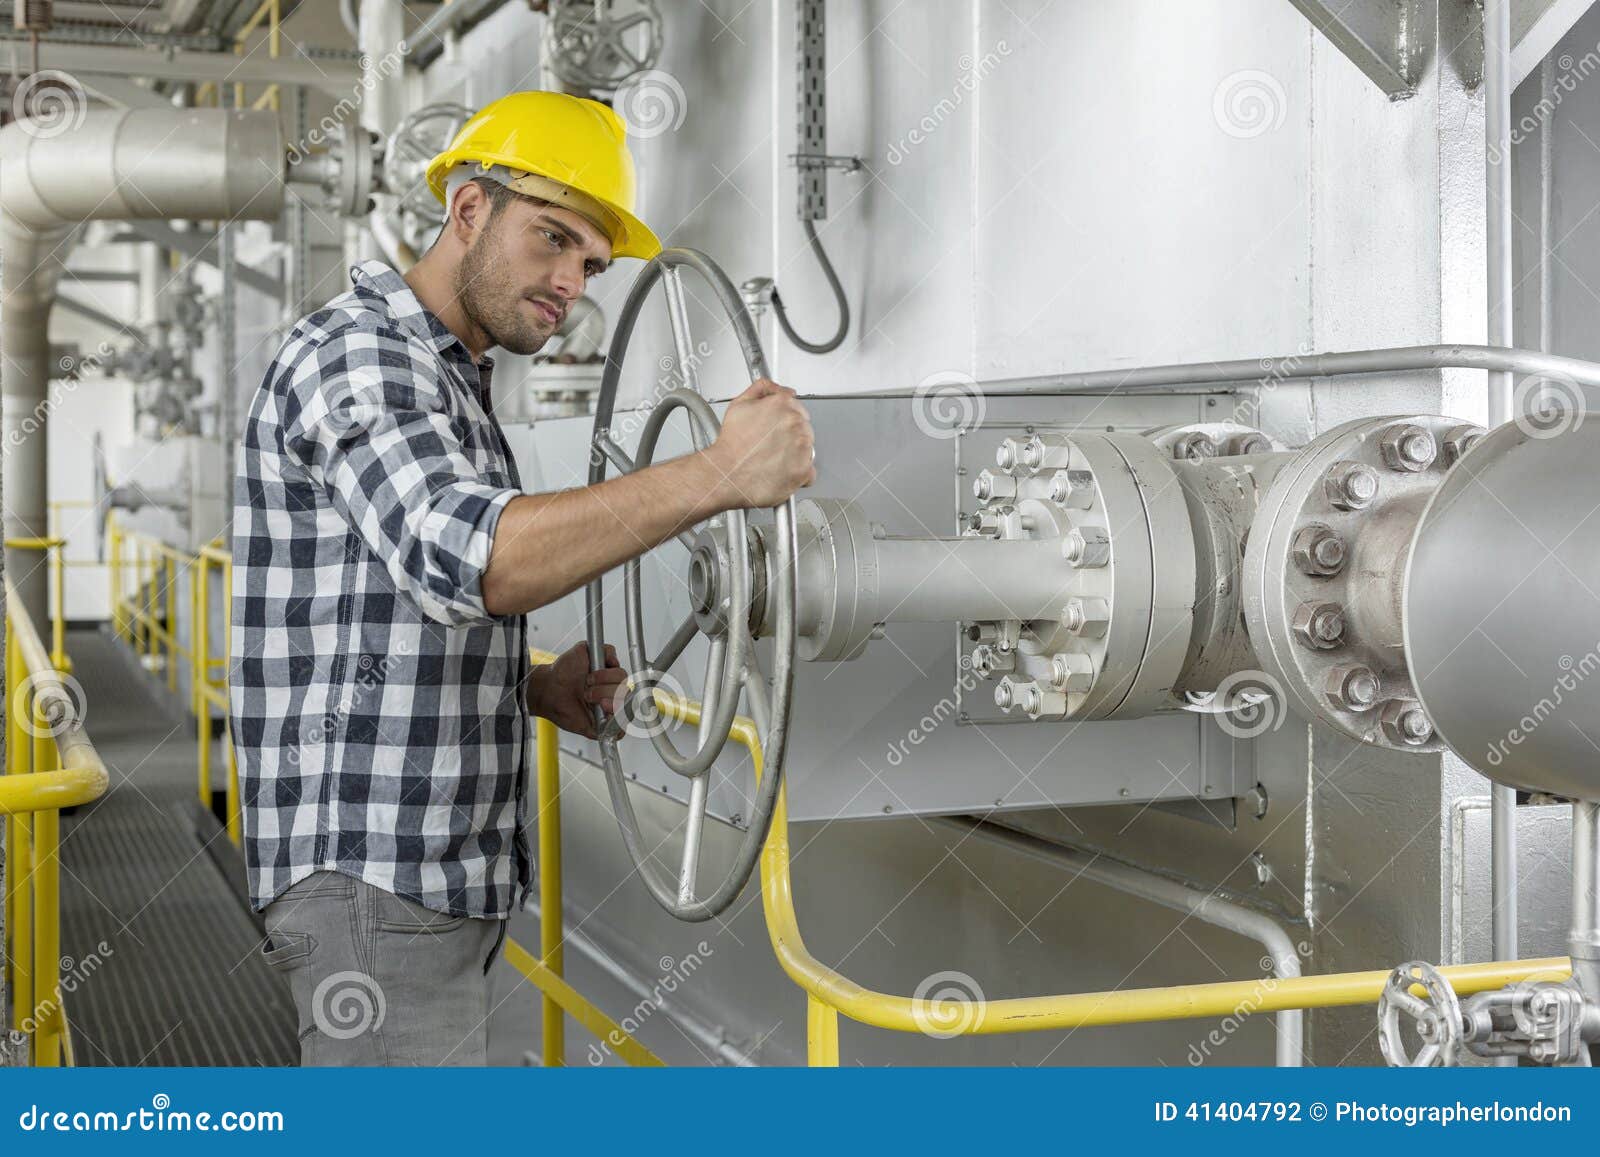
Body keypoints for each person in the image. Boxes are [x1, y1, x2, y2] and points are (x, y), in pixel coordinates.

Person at [229, 90, 814, 1065]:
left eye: (589, 262)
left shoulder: (447, 375)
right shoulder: (362, 357)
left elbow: (386, 609)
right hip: (379, 878)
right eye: (551, 239)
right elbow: (476, 558)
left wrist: (532, 688)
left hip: (418, 878)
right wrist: (718, 473)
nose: (568, 283)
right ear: (467, 211)